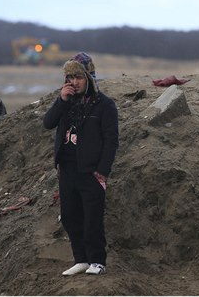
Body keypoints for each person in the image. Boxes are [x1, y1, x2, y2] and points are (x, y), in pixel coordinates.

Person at [43, 52, 119, 276]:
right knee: (69, 216)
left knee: (92, 218)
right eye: (70, 77)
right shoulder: (66, 102)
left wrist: (102, 172)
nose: (74, 82)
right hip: (67, 169)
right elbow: (48, 123)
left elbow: (111, 141)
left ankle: (97, 261)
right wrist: (61, 101)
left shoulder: (105, 105)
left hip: (91, 171)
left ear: (89, 77)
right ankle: (81, 259)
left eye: (78, 77)